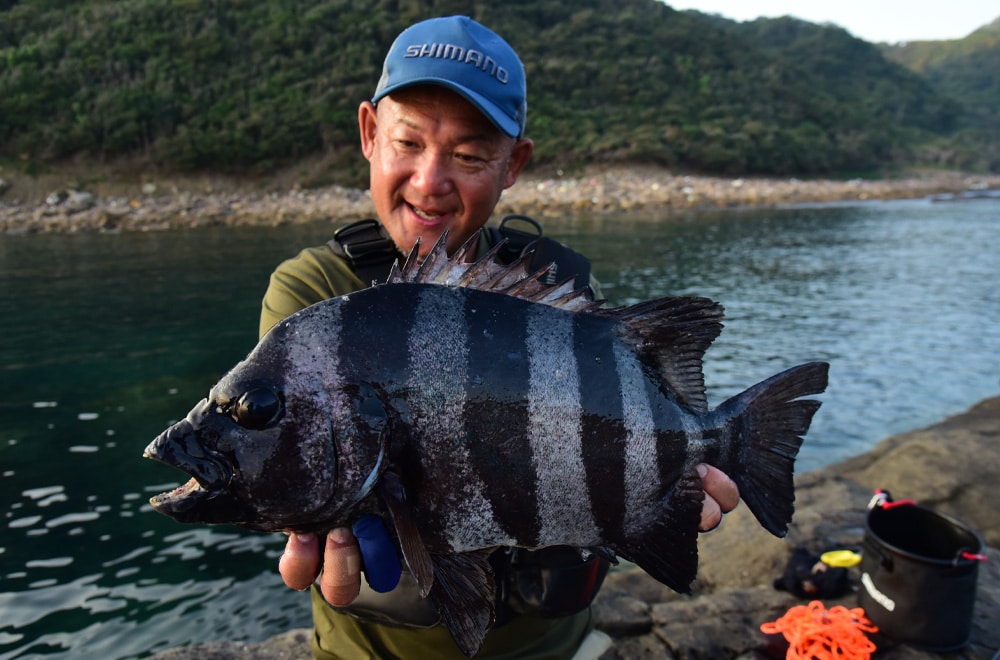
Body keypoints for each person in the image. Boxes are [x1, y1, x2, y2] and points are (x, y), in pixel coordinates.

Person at [260, 16, 740, 659]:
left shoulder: (556, 281)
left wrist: (664, 485)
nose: (431, 181)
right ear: (370, 134)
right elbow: (286, 454)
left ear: (513, 163)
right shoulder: (317, 291)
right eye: (408, 143)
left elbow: (605, 422)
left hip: (548, 645)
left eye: (468, 155)